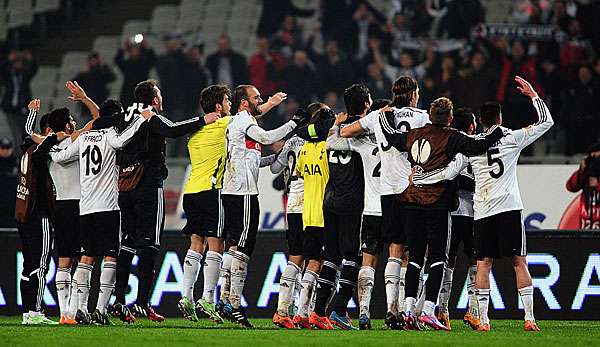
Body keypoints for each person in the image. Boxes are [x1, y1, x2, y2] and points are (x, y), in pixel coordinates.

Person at [413, 76, 553, 332]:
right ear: (499, 119)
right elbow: (546, 122)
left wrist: (422, 177)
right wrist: (533, 94)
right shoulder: (512, 137)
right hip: (509, 207)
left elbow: (447, 173)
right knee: (519, 262)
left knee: (483, 264)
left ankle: (484, 320)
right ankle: (530, 318)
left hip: (483, 211)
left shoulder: (470, 146)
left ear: (481, 121)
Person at [380, 96, 504, 331]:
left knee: (415, 257)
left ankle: (408, 310)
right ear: (449, 117)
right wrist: (499, 131)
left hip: (410, 202)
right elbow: (477, 146)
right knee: (438, 258)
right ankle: (427, 311)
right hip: (436, 204)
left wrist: (386, 114)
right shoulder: (451, 137)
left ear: (429, 114)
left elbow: (390, 136)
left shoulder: (414, 134)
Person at [111, 80, 220, 323]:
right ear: (154, 99)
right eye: (159, 95)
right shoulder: (148, 115)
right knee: (149, 246)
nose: (161, 99)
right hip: (147, 185)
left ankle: (118, 301)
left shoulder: (123, 115)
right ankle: (141, 303)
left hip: (124, 186)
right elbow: (172, 129)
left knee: (127, 243)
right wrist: (202, 120)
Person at [51, 98, 155, 325]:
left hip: (85, 209)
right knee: (110, 257)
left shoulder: (84, 138)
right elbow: (123, 140)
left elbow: (60, 156)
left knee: (86, 258)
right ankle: (99, 309)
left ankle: (78, 309)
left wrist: (51, 142)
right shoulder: (110, 135)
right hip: (108, 207)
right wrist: (140, 120)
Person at [339, 76, 430, 330]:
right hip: (410, 191)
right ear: (413, 94)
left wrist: (357, 123)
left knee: (380, 255)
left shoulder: (377, 119)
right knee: (406, 253)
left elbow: (345, 132)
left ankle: (374, 311)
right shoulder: (422, 117)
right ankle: (401, 309)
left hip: (380, 200)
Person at [219, 84, 307, 327]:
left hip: (233, 191)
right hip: (243, 193)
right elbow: (268, 138)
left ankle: (225, 300)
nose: (261, 101)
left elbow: (253, 160)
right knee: (244, 249)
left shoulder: (241, 123)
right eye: (257, 98)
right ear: (244, 103)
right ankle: (235, 305)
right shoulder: (244, 122)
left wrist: (277, 159)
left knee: (235, 245)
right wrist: (293, 124)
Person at [295, 84, 370, 331]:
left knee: (332, 257)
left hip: (330, 200)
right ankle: (338, 309)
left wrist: (337, 127)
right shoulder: (365, 127)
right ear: (366, 104)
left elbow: (326, 142)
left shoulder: (334, 129)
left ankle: (317, 312)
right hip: (352, 201)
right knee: (351, 257)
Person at [325, 98, 390, 330]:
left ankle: (364, 312)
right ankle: (400, 311)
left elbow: (333, 142)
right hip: (395, 209)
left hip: (370, 209)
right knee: (400, 259)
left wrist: (336, 125)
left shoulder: (363, 145)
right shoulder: (399, 144)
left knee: (367, 261)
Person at [270, 103, 328, 329]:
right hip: (312, 202)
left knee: (295, 256)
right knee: (315, 259)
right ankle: (303, 310)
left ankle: (282, 310)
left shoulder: (293, 141)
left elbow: (276, 169)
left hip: (292, 201)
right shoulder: (319, 142)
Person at [178, 85, 232, 323]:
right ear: (219, 107)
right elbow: (250, 116)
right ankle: (208, 298)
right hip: (212, 190)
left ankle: (186, 296)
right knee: (216, 244)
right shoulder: (225, 124)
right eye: (228, 101)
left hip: (190, 191)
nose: (231, 104)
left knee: (195, 243)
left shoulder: (195, 133)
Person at [434, 108, 480, 330]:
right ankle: (470, 310)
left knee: (449, 260)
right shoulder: (475, 145)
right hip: (470, 211)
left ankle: (445, 310)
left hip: (453, 211)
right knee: (472, 259)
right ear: (471, 126)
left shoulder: (449, 144)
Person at [15, 100, 59, 325]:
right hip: (39, 213)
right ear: (49, 131)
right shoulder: (43, 150)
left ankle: (26, 312)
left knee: (28, 266)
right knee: (41, 265)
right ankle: (36, 312)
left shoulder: (27, 149)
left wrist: (32, 112)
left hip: (22, 214)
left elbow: (27, 133)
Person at [1, 50, 38, 147]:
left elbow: (33, 70)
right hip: (10, 109)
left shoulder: (24, 76)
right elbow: (2, 69)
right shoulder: (9, 76)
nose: (18, 65)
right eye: (16, 63)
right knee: (16, 134)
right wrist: (9, 60)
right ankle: (19, 156)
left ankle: (24, 154)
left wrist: (30, 59)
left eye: (20, 63)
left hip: (22, 109)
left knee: (24, 133)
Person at [566, 145, 600, 229]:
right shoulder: (586, 174)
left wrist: (597, 184)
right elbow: (571, 187)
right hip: (586, 226)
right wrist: (581, 171)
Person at [114, 38, 157, 107]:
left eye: (136, 49)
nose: (134, 51)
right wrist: (123, 49)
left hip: (143, 93)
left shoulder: (144, 63)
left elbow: (153, 59)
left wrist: (146, 47)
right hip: (128, 94)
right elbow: (117, 60)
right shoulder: (127, 64)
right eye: (132, 49)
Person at [0, 137, 18, 228]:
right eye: (3, 148)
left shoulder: (16, 163)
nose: (5, 151)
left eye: (7, 148)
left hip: (12, 201)